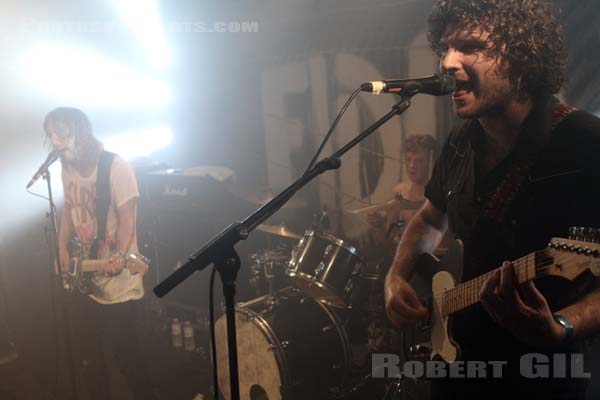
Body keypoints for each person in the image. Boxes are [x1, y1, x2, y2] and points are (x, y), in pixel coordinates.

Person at [384, 1, 600, 399]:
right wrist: (395, 278)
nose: (448, 61)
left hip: (545, 380)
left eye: (469, 46)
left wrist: (562, 326)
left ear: (522, 56)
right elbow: (431, 220)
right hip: (457, 370)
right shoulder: (461, 141)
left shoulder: (585, 143)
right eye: (446, 47)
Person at [45, 107, 152, 399]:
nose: (53, 141)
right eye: (50, 134)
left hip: (118, 281)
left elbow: (128, 217)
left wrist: (119, 255)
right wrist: (61, 246)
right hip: (85, 277)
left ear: (79, 132)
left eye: (59, 133)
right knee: (89, 359)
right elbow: (68, 208)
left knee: (127, 357)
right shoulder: (66, 167)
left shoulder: (115, 166)